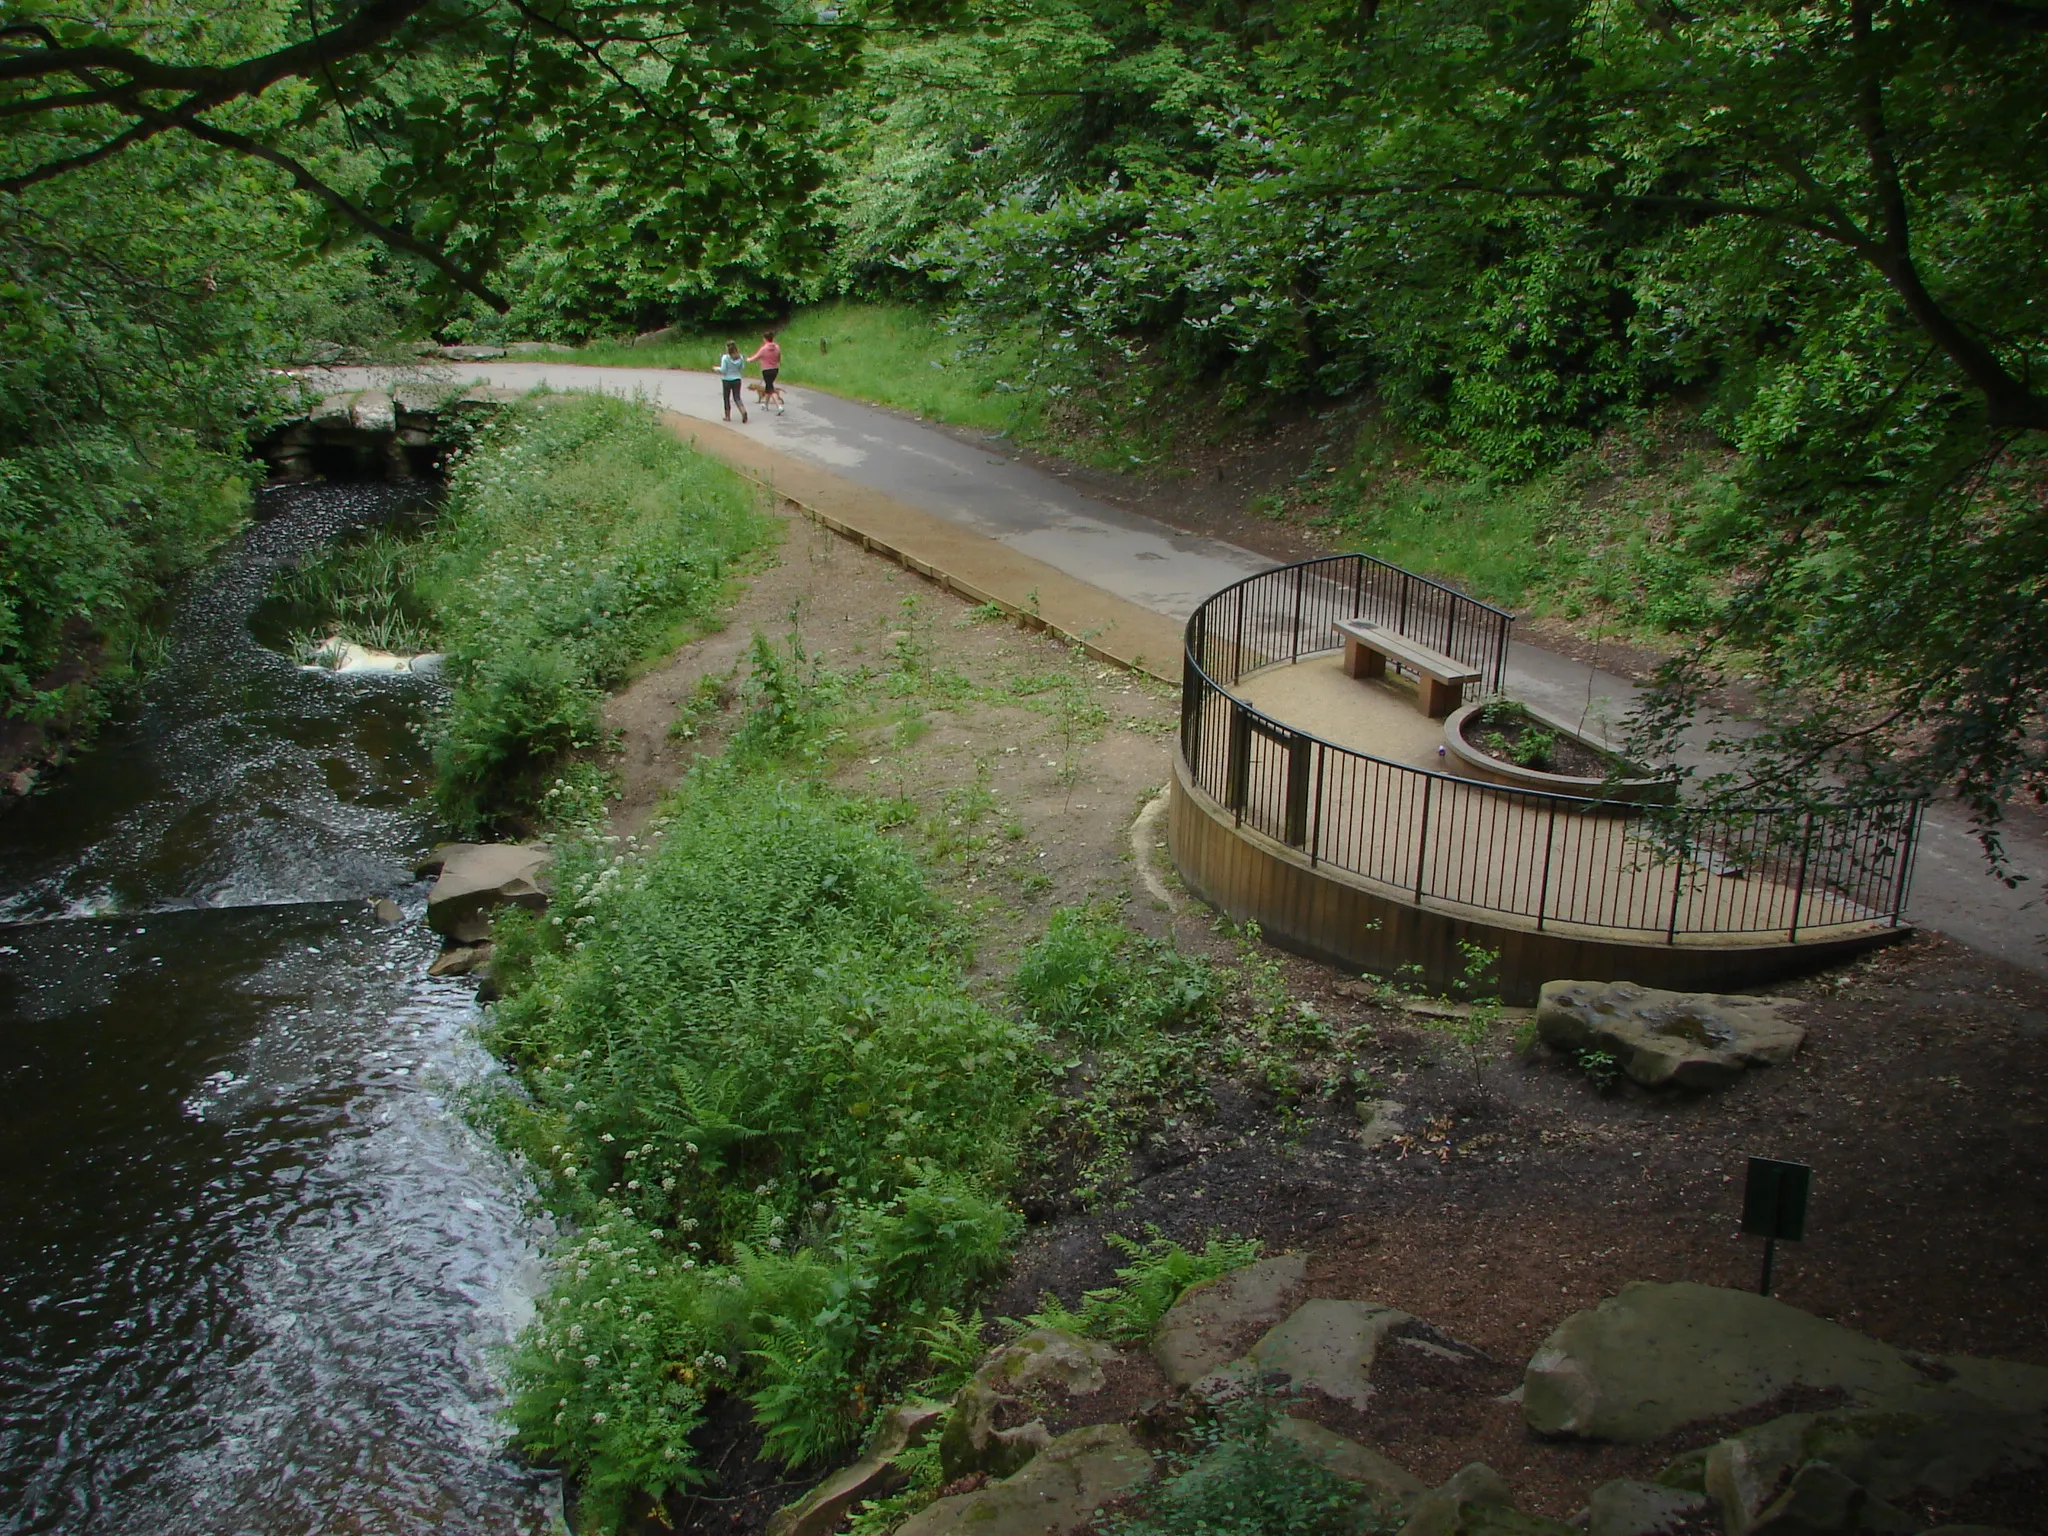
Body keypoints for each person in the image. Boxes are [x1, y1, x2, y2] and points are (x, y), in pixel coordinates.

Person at [748, 331, 784, 413]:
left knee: (770, 387)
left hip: (766, 370)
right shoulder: (777, 347)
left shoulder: (763, 349)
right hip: (775, 369)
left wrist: (749, 360)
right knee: (769, 386)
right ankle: (765, 405)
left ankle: (779, 406)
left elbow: (755, 357)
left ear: (765, 339)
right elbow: (778, 358)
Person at [718, 340, 748, 423]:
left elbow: (723, 370)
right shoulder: (740, 357)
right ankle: (743, 411)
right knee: (737, 397)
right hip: (737, 379)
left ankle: (727, 416)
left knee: (726, 398)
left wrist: (717, 369)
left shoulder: (725, 357)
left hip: (727, 380)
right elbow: (742, 367)